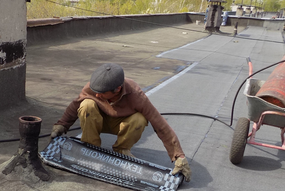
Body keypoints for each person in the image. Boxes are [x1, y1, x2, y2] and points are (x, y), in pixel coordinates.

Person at [50, 63, 191, 181]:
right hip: (98, 121)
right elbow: (75, 105)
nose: (97, 95)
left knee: (140, 119)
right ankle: (90, 147)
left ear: (117, 89)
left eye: (102, 93)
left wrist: (179, 155)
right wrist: (62, 124)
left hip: (121, 125)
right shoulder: (94, 88)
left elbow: (159, 123)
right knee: (86, 104)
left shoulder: (135, 95)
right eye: (96, 91)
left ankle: (122, 148)